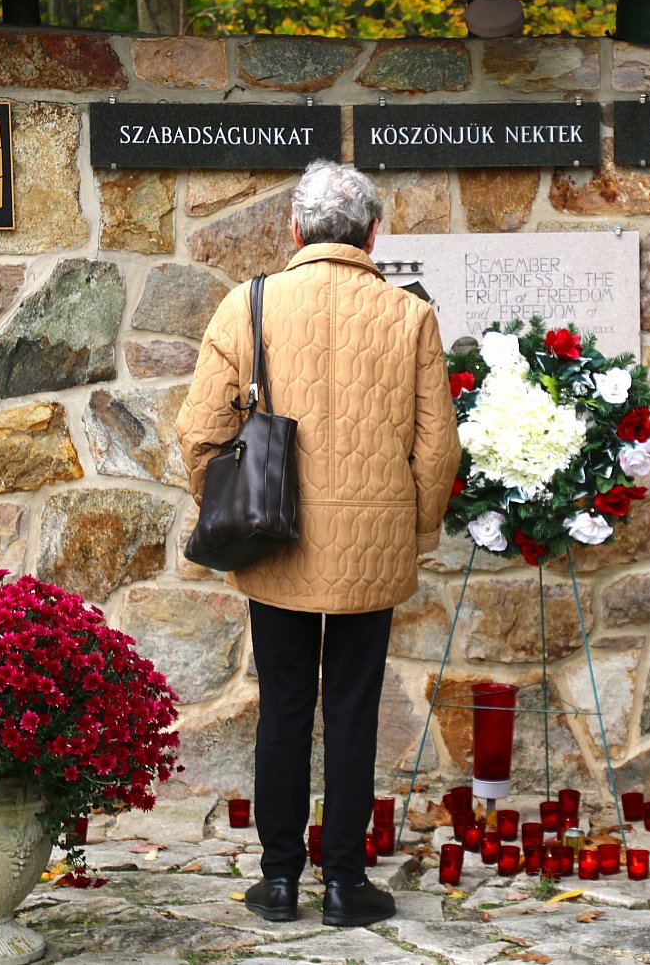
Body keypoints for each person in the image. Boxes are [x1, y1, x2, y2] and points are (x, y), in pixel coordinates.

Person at [177, 160, 460, 928]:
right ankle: (344, 882)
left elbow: (199, 432)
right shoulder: (410, 316)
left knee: (284, 706)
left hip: (276, 544)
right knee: (353, 708)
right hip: (371, 547)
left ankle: (277, 882)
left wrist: (228, 506)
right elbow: (438, 452)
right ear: (373, 235)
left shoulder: (249, 304)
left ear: (296, 231)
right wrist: (417, 528)